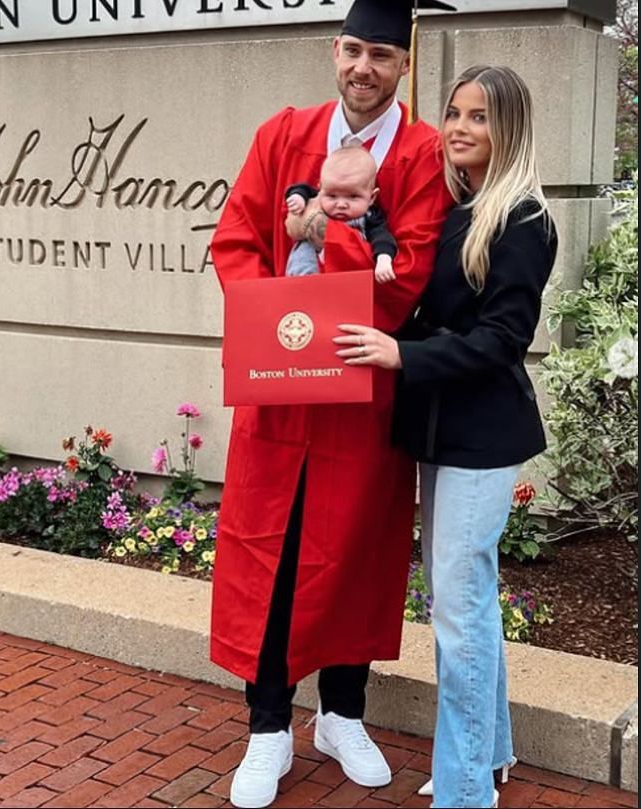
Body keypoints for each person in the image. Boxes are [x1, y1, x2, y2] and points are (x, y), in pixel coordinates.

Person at [207, 1, 456, 806]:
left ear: (404, 64)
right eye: (353, 50)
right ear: (333, 51)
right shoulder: (284, 134)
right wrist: (273, 318)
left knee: (353, 553)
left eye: (381, 54)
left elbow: (409, 269)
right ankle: (268, 727)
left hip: (361, 392)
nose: (363, 67)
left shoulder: (419, 154)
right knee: (270, 557)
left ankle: (343, 712)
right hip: (279, 391)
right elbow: (236, 238)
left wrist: (329, 242)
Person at [338, 65, 555, 809]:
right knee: (471, 601)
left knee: (459, 613)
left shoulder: (522, 218)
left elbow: (501, 339)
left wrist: (404, 353)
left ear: (510, 129)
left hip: (481, 436)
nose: (460, 127)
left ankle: (466, 791)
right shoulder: (463, 207)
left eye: (480, 117)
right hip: (442, 430)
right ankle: (488, 754)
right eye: (455, 113)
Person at [284, 145, 398, 283]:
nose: (341, 204)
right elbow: (302, 188)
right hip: (301, 277)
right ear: (321, 190)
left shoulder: (369, 217)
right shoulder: (319, 202)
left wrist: (383, 259)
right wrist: (299, 198)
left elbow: (382, 238)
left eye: (353, 196)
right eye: (332, 196)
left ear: (372, 197)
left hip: (344, 283)